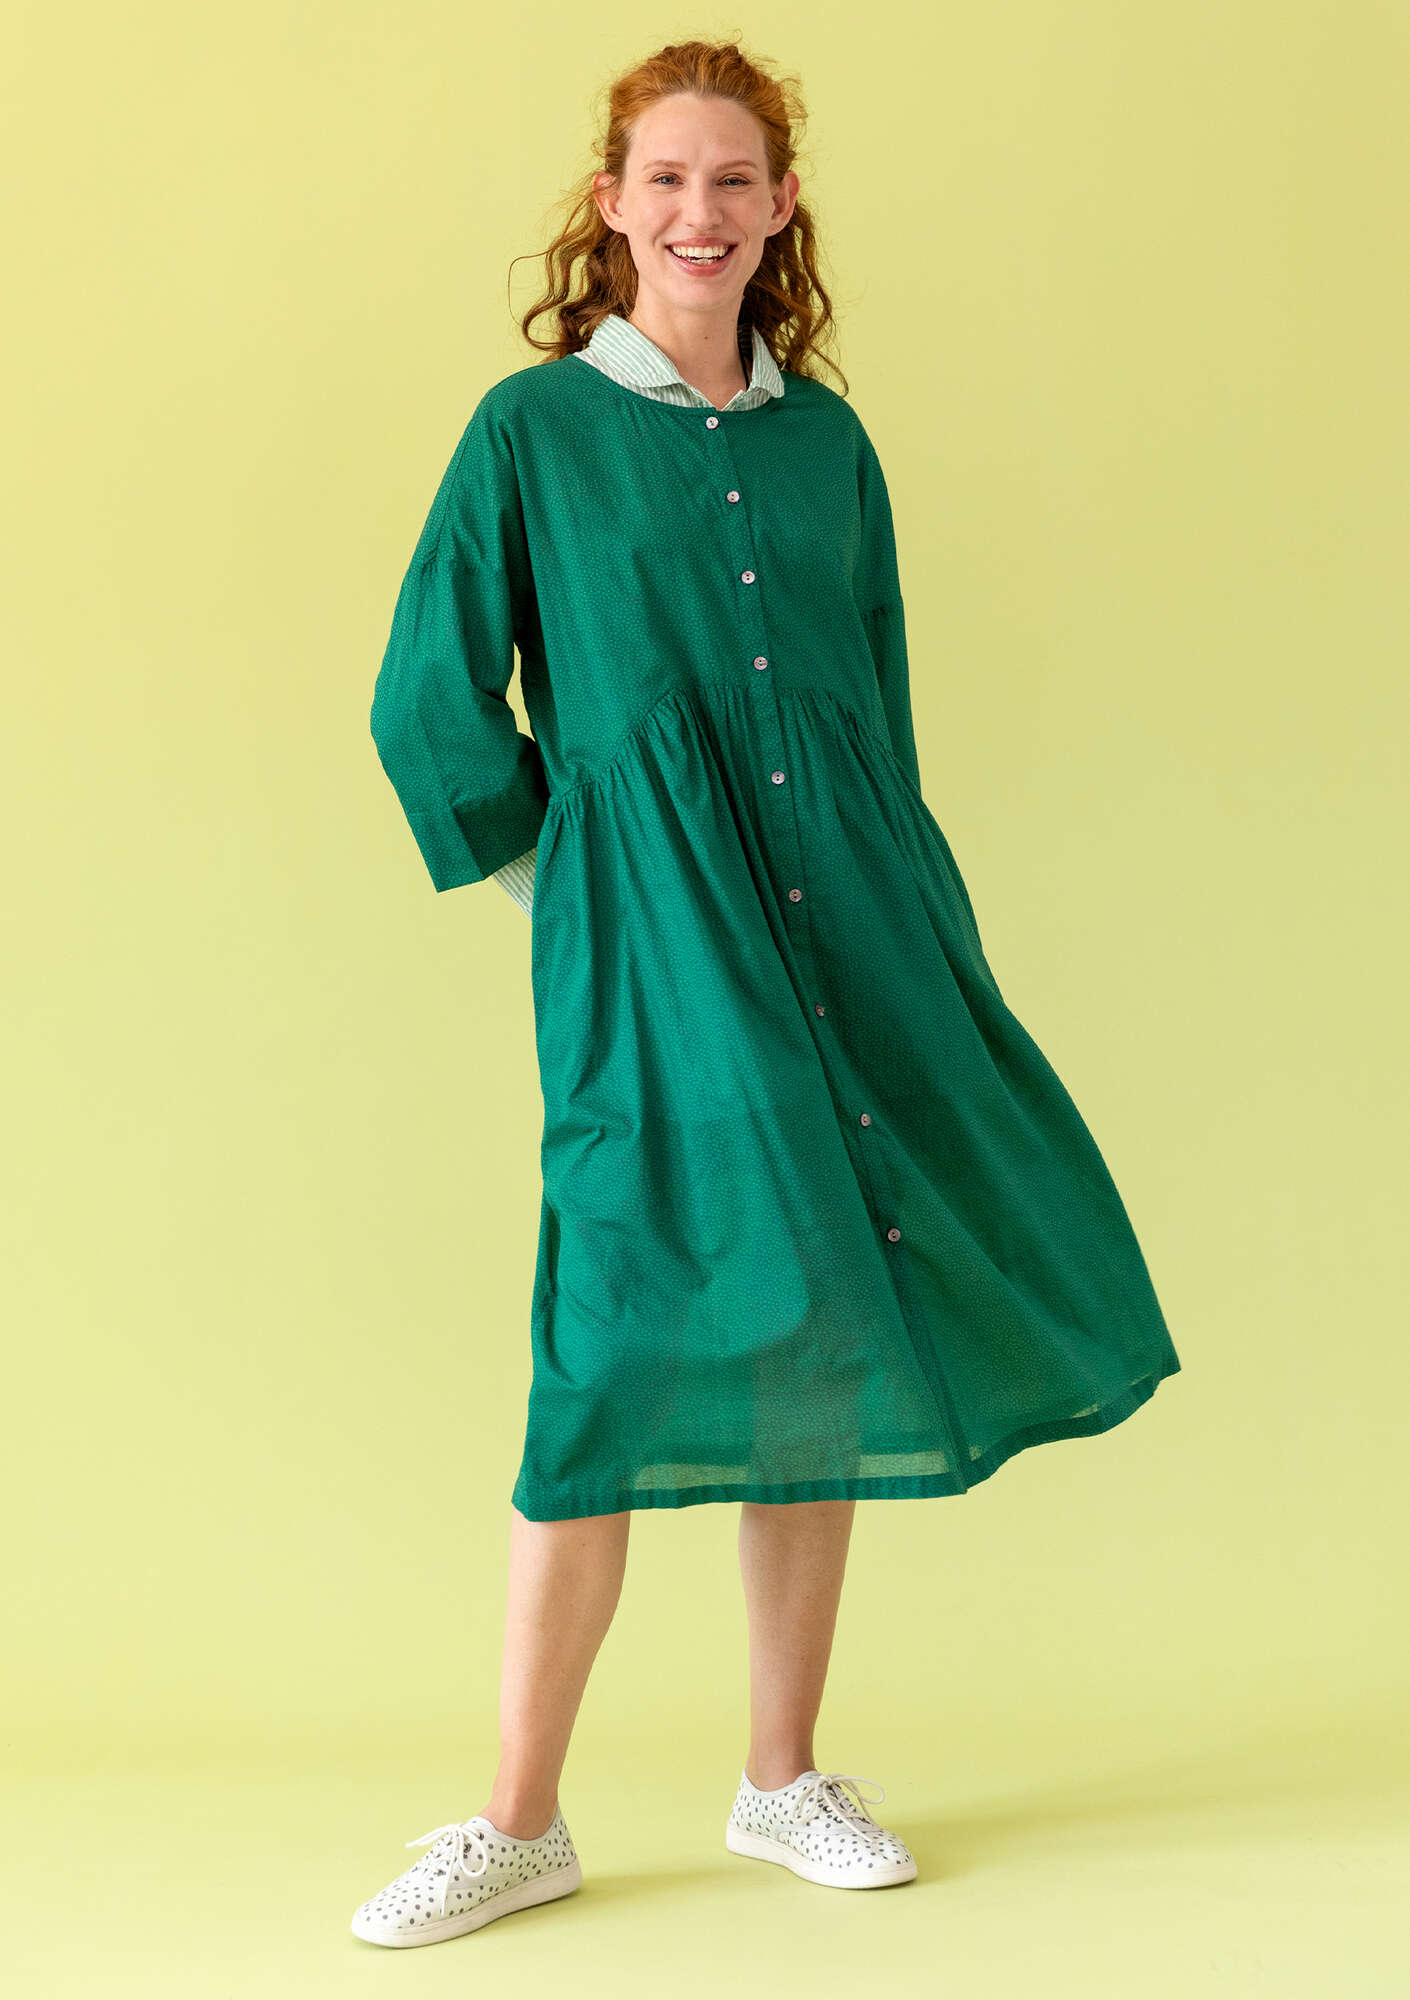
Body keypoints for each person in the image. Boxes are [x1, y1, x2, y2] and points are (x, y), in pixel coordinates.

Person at [354, 39, 1181, 1948]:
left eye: (733, 178)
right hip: (655, 948)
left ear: (780, 205)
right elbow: (427, 695)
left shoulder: (828, 446)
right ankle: (517, 1817)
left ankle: (782, 1776)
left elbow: (872, 706)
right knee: (610, 1331)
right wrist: (573, 882)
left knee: (819, 1316)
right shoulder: (533, 432)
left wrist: (914, 920)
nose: (698, 211)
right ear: (610, 204)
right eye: (664, 178)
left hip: (855, 925)